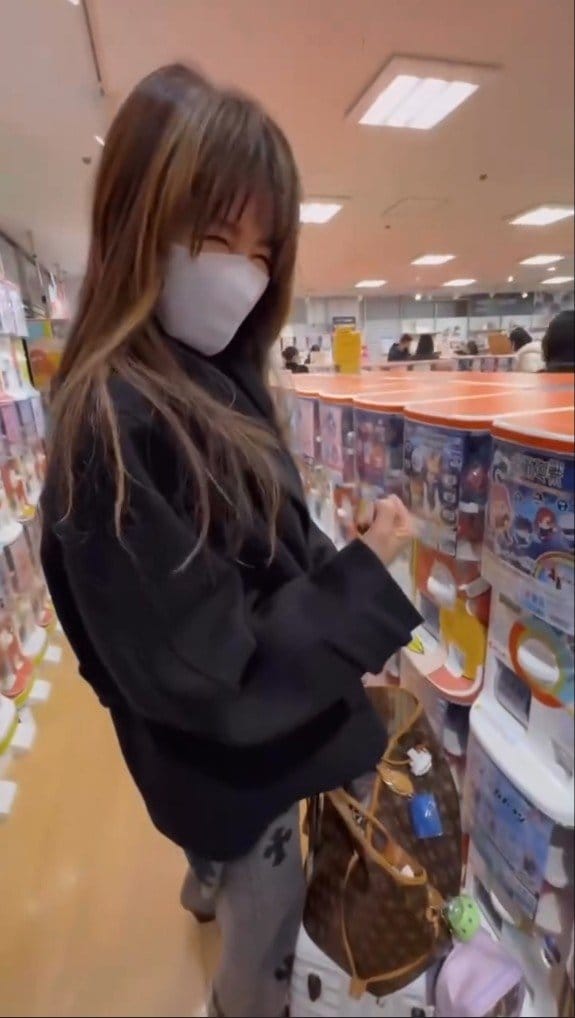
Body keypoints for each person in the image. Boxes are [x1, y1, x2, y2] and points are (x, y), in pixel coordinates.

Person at [40, 64, 420, 1018]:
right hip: (229, 762)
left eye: (261, 252)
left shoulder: (208, 371)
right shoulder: (114, 430)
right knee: (267, 929)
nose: (240, 276)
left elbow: (259, 549)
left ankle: (202, 878)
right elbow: (216, 671)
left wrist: (338, 575)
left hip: (221, 753)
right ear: (136, 221)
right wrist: (362, 582)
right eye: (214, 238)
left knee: (234, 872)